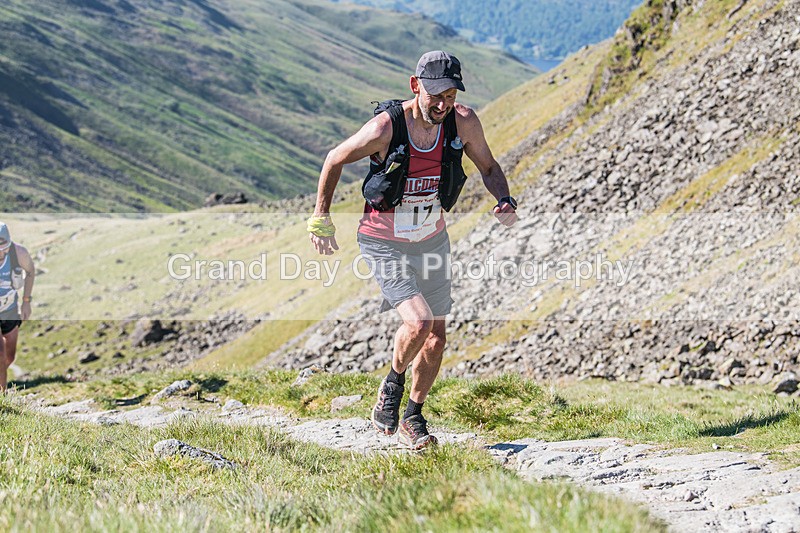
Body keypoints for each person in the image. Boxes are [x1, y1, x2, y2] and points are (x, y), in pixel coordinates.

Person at [308, 51, 517, 449]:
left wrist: (504, 199)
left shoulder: (464, 122)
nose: (443, 104)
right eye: (436, 94)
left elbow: (489, 167)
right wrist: (321, 218)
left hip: (431, 240)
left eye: (450, 95)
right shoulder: (387, 127)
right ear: (415, 85)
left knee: (437, 339)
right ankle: (392, 383)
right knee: (418, 323)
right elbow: (334, 159)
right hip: (383, 240)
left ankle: (413, 416)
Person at [0, 222, 35, 392]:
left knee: (9, 357)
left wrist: (26, 301)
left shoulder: (18, 252)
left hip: (10, 310)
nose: (0, 253)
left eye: (3, 248)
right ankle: (2, 400)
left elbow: (30, 271)